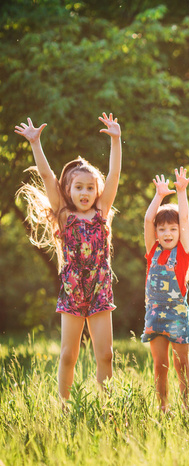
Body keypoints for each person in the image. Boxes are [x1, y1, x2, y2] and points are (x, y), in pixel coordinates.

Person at [15, 113, 122, 401]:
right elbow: (48, 176)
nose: (85, 192)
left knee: (107, 354)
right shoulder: (64, 215)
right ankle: (64, 405)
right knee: (68, 355)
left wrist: (116, 140)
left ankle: (107, 405)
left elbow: (113, 176)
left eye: (90, 187)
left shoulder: (101, 214)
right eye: (78, 187)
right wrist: (36, 143)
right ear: (68, 190)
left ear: (97, 191)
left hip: (100, 287)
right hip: (73, 290)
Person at [142, 168, 189, 412]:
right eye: (162, 229)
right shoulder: (153, 251)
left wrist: (181, 192)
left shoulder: (183, 253)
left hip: (176, 316)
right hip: (154, 315)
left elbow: (185, 220)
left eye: (172, 229)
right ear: (156, 233)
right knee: (159, 364)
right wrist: (159, 196)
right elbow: (147, 220)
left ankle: (187, 407)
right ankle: (163, 406)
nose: (167, 233)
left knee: (180, 363)